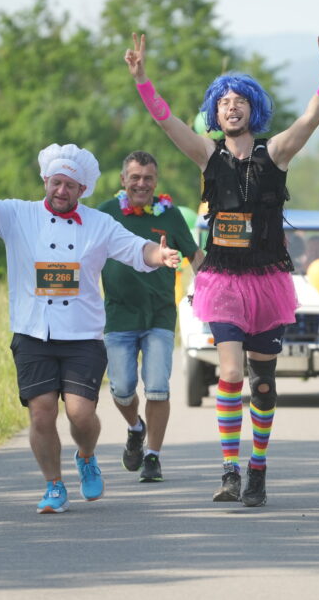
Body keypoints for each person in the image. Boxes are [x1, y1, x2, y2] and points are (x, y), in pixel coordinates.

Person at [124, 31, 319, 506]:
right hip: (222, 281)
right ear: (215, 113)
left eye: (240, 100)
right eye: (223, 102)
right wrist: (142, 80)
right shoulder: (208, 154)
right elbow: (166, 123)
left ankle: (257, 466)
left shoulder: (275, 152)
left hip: (267, 281)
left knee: (261, 384)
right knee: (229, 373)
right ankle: (229, 470)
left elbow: (311, 118)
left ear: (252, 108)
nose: (231, 107)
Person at [0, 144, 180, 514]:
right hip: (33, 333)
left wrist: (159, 255)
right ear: (46, 180)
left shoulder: (99, 223)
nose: (61, 191)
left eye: (70, 186)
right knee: (42, 413)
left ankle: (86, 455)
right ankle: (54, 485)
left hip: (82, 335)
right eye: (56, 183)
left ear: (82, 190)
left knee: (80, 414)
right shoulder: (17, 214)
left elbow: (135, 248)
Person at [97, 150, 204, 483]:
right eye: (135, 177)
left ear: (156, 182)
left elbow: (194, 255)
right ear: (123, 180)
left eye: (148, 178)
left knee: (157, 388)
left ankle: (153, 456)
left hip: (159, 316)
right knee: (121, 390)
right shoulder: (105, 213)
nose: (141, 184)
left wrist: (211, 288)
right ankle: (135, 428)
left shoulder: (170, 215)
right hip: (118, 316)